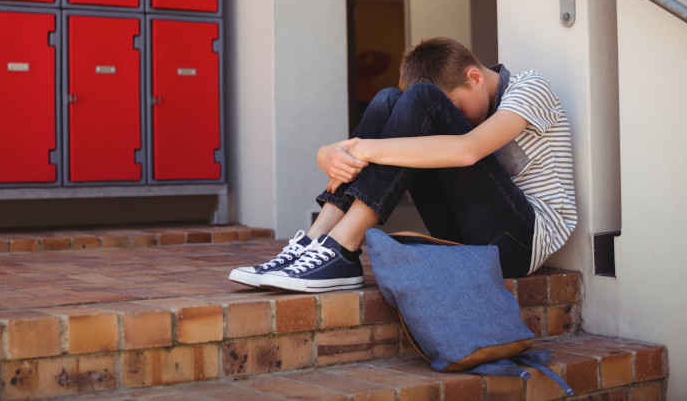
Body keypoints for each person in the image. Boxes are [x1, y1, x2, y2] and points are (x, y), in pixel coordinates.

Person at [230, 37, 577, 293]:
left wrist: (362, 149)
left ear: (474, 76)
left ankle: (343, 247)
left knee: (423, 100)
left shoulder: (531, 88)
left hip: (519, 244)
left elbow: (467, 151)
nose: (454, 115)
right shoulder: (471, 99)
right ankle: (317, 241)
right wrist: (328, 152)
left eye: (455, 107)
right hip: (465, 237)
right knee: (386, 100)